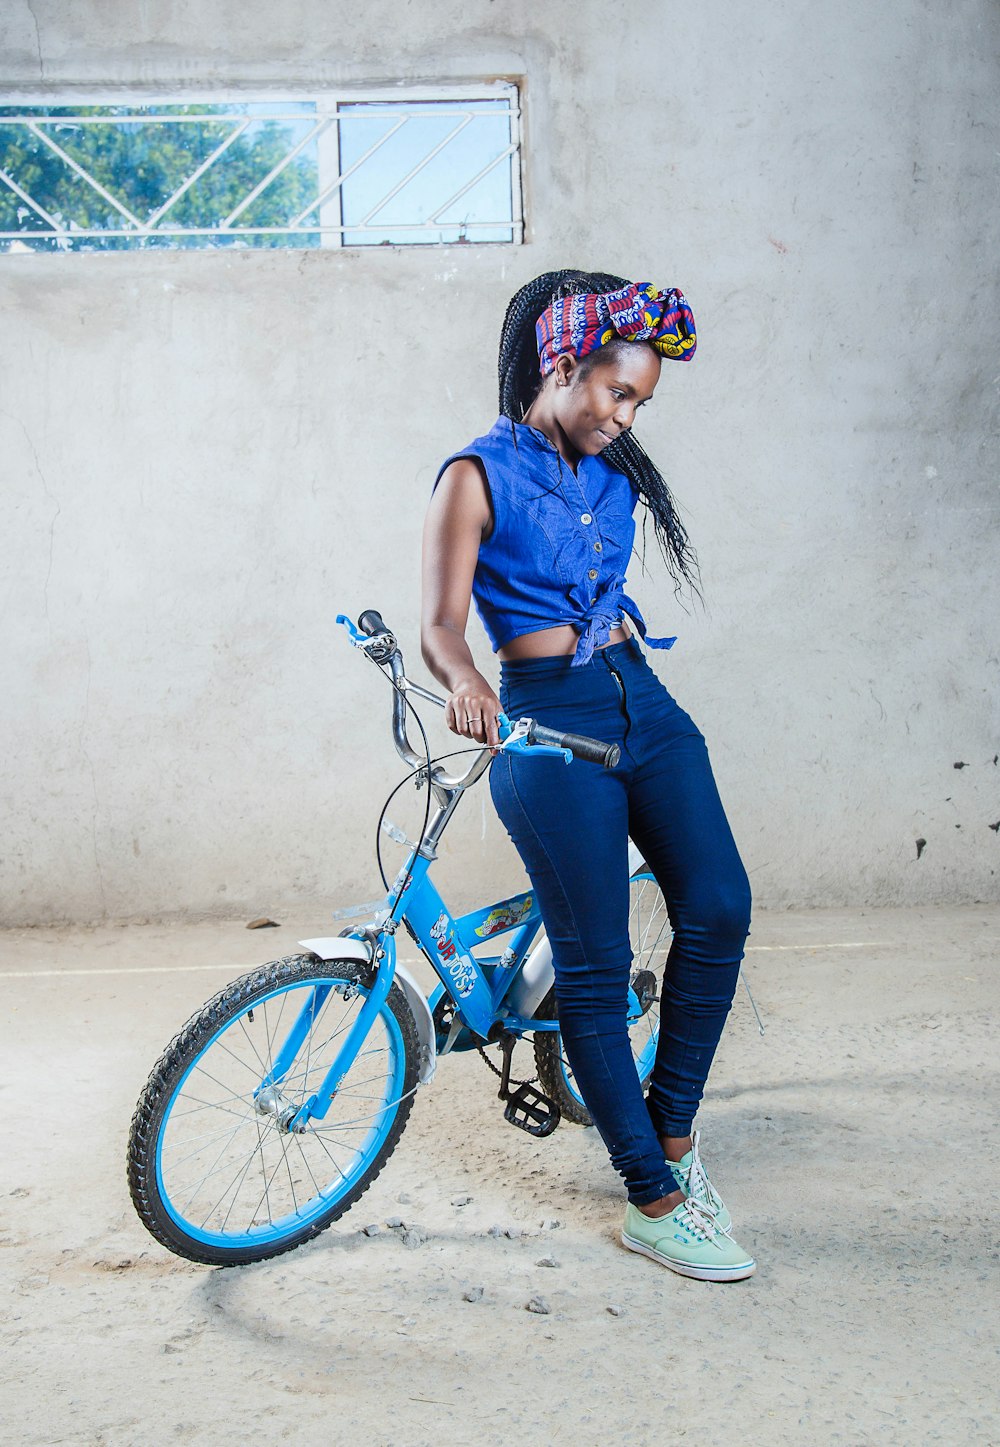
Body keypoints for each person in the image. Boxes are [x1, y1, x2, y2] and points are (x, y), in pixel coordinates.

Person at [421, 270, 756, 1282]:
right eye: (617, 393)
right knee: (595, 969)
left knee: (720, 905)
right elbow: (440, 623)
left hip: (638, 702)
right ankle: (652, 1196)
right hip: (545, 723)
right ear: (560, 366)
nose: (626, 417)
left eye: (641, 402)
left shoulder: (614, 479)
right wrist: (468, 680)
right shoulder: (472, 476)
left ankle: (673, 1132)